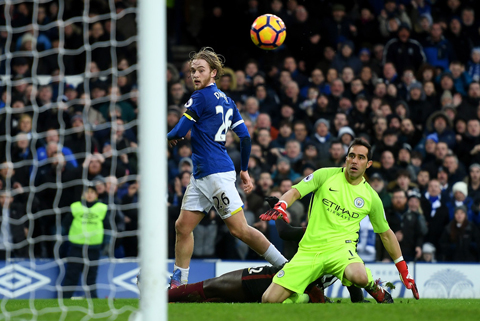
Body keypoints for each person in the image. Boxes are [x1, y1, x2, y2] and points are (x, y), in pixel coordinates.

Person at [166, 47, 287, 288]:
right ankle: (178, 282)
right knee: (182, 226)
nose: (195, 75)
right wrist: (244, 169)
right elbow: (245, 137)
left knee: (240, 230)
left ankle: (286, 266)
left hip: (214, 174)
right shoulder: (228, 101)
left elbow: (180, 131)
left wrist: (164, 137)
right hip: (203, 174)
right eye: (192, 71)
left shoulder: (199, 97)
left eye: (200, 70)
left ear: (213, 73)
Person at [260, 138, 419, 304]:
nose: (355, 161)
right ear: (346, 159)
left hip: (341, 251)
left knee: (359, 277)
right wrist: (281, 205)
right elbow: (295, 192)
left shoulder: (371, 197)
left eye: (361, 157)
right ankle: (309, 299)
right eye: (352, 156)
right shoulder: (325, 175)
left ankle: (373, 287)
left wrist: (402, 269)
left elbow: (386, 234)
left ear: (368, 164)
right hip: (309, 250)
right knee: (268, 300)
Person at [164, 196, 392, 304]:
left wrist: (276, 209)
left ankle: (162, 297)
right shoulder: (348, 258)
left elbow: (284, 232)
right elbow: (355, 292)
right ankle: (169, 299)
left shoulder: (319, 238)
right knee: (216, 296)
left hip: (273, 279)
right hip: (284, 289)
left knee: (214, 287)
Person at [62, 184, 110, 298]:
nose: (89, 194)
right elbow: (65, 224)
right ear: (82, 194)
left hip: (94, 247)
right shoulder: (76, 207)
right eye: (87, 192)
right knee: (71, 274)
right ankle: (65, 298)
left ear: (96, 195)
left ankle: (93, 299)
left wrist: (106, 243)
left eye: (92, 192)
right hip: (76, 247)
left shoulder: (102, 208)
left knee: (91, 276)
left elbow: (108, 227)